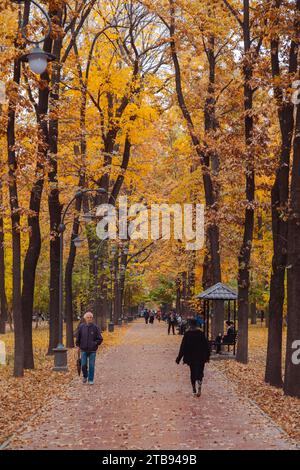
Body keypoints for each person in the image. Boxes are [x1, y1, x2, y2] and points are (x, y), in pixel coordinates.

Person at [176, 318, 210, 397]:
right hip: (201, 356)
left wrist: (179, 358)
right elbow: (206, 345)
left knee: (192, 372)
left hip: (190, 357)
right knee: (200, 371)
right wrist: (207, 356)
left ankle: (194, 388)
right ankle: (199, 381)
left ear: (190, 325)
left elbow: (183, 347)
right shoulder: (201, 333)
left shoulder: (187, 334)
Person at [76, 312, 103, 385]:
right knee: (83, 365)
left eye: (90, 317)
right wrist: (78, 345)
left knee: (91, 365)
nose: (89, 319)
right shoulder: (81, 327)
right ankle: (85, 376)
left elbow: (100, 339)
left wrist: (94, 344)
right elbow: (78, 337)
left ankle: (91, 379)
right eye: (88, 317)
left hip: (92, 350)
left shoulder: (95, 327)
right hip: (83, 349)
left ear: (92, 318)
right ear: (85, 318)